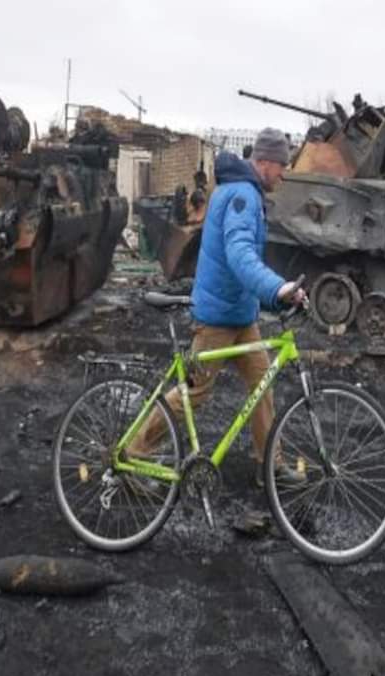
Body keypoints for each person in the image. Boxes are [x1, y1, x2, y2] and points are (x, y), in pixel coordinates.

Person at [129, 128, 305, 483]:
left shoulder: (244, 190)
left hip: (239, 315)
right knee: (193, 394)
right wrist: (278, 288)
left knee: (262, 385)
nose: (285, 173)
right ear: (265, 162)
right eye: (282, 165)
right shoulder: (242, 196)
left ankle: (269, 465)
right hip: (217, 319)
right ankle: (134, 454)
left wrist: (271, 297)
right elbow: (240, 256)